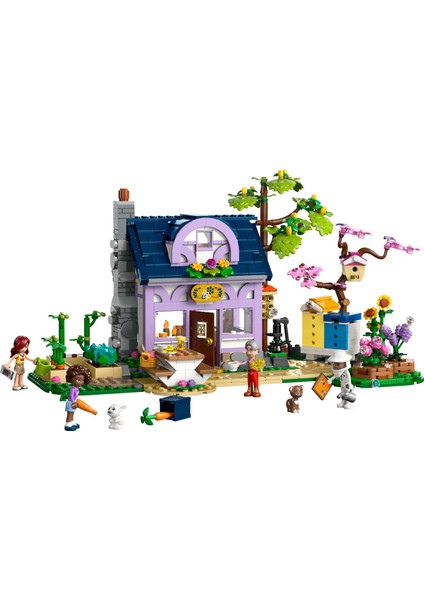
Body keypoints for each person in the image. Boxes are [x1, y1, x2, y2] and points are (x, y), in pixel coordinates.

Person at [64, 364, 92, 431]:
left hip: (74, 402)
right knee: (70, 413)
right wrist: (73, 402)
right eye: (78, 380)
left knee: (72, 412)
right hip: (71, 402)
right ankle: (67, 424)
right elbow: (71, 396)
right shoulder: (73, 389)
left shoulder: (76, 388)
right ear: (72, 379)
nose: (81, 382)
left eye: (82, 380)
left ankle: (71, 422)